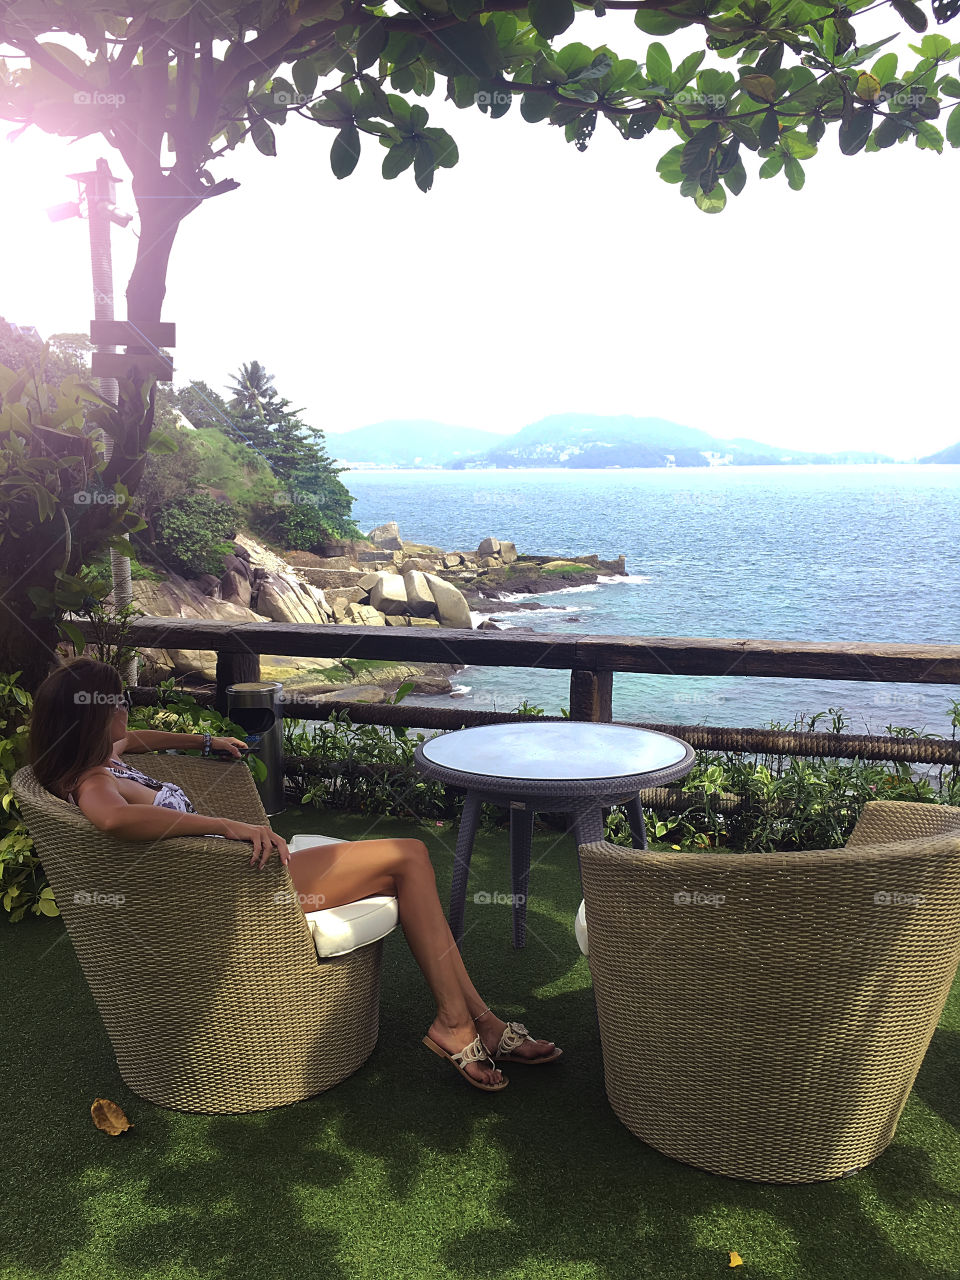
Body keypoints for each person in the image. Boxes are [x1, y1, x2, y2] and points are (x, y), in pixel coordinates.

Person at [28, 657, 562, 1091]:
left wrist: (206, 743)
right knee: (409, 857)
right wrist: (225, 824)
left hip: (233, 874)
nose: (123, 707)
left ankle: (476, 1022)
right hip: (242, 887)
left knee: (410, 865)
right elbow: (112, 816)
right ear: (91, 717)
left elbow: (137, 739)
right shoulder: (95, 782)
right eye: (115, 702)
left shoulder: (98, 757)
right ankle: (459, 1022)